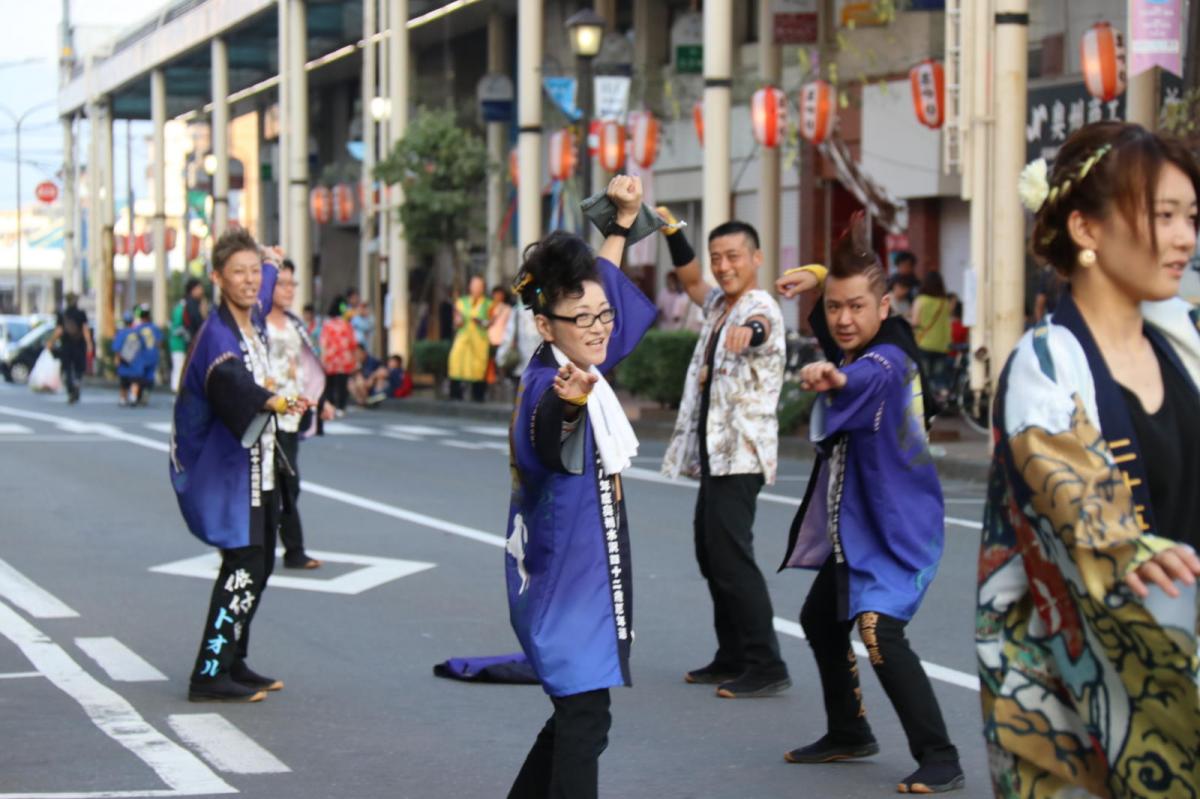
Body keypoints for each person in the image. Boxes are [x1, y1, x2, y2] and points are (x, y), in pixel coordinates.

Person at [978, 122, 1200, 797]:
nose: (1185, 237)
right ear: (1086, 229)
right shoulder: (1045, 364)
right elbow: (1060, 471)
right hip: (1080, 699)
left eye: (1191, 216)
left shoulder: (1183, 343)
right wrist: (1126, 543)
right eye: (1162, 215)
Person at [774, 213, 962, 794]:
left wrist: (833, 381)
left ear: (885, 308)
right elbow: (842, 339)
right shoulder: (876, 339)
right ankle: (850, 731)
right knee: (819, 619)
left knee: (878, 630)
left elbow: (863, 380)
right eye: (835, 307)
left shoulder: (886, 362)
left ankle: (941, 757)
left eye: (857, 307)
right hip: (857, 529)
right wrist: (823, 275)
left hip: (899, 530)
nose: (843, 319)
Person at [505, 175, 656, 799]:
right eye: (582, 320)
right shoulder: (552, 386)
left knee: (577, 716)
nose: (600, 329)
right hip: (567, 589)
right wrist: (570, 407)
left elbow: (600, 288)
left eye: (604, 318)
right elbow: (548, 431)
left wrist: (619, 224)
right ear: (544, 325)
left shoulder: (578, 355)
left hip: (578, 581)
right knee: (585, 717)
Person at [169, 228, 313, 702]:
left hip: (259, 465)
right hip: (232, 472)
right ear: (217, 278)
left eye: (254, 273)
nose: (251, 282)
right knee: (245, 563)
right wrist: (272, 400)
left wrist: (270, 260)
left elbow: (266, 285)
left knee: (259, 563)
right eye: (239, 273)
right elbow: (229, 382)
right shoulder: (217, 336)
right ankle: (208, 673)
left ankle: (233, 660)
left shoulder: (250, 314)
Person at [658, 212, 791, 699]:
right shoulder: (717, 303)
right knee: (710, 552)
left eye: (734, 256)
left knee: (732, 557)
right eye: (718, 257)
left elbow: (760, 328)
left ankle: (766, 662)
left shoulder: (761, 307)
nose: (723, 265)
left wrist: (749, 332)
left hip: (742, 452)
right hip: (715, 451)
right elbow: (691, 279)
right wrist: (674, 232)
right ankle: (732, 654)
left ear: (756, 258)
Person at [266, 260, 328, 571]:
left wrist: (319, 399)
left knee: (287, 483)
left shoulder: (294, 325)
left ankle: (290, 549)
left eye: (292, 284)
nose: (289, 290)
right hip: (262, 414)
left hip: (291, 414)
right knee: (278, 483)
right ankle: (290, 548)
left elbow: (308, 365)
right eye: (282, 284)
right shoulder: (255, 323)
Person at [909, 270, 952, 400]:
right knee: (939, 377)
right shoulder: (944, 302)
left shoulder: (921, 300)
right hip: (941, 345)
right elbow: (946, 324)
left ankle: (926, 403)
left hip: (924, 344)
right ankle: (942, 400)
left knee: (924, 377)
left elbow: (915, 321)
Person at [448, 275, 492, 401]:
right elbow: (456, 321)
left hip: (479, 340)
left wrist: (481, 321)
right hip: (463, 337)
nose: (475, 288)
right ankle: (455, 393)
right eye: (473, 285)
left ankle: (478, 395)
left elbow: (491, 323)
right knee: (456, 362)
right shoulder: (461, 302)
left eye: (478, 285)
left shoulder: (488, 304)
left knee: (478, 368)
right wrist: (458, 320)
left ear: (483, 288)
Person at [44, 292, 93, 404]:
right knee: (78, 368)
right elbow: (85, 329)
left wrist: (51, 341)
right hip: (79, 345)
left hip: (66, 345)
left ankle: (71, 390)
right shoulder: (81, 314)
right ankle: (77, 383)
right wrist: (89, 343)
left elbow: (59, 330)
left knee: (67, 369)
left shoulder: (63, 314)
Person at [113, 305, 161, 407]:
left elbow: (117, 348)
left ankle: (123, 399)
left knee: (124, 383)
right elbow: (155, 343)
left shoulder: (123, 332)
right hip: (140, 361)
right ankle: (135, 397)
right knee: (137, 380)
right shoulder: (141, 332)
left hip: (125, 362)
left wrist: (117, 360)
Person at [319, 298, 357, 416]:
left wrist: (323, 357)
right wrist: (353, 358)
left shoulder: (327, 324)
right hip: (344, 359)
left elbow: (323, 342)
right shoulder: (347, 325)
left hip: (330, 359)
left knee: (330, 385)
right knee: (342, 385)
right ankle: (341, 407)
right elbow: (352, 343)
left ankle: (331, 406)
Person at [169, 278, 205, 392]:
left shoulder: (185, 304)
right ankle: (177, 389)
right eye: (199, 288)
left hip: (182, 342)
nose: (201, 291)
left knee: (180, 366)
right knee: (180, 366)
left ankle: (178, 389)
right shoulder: (189, 305)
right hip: (182, 343)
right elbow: (195, 322)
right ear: (192, 290)